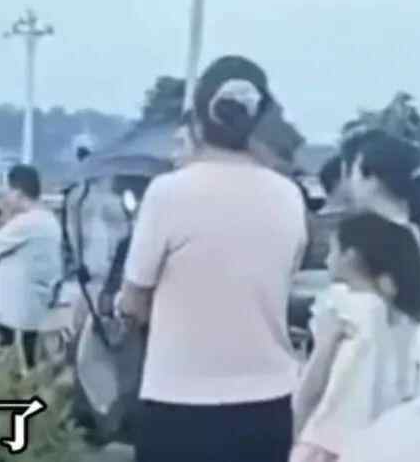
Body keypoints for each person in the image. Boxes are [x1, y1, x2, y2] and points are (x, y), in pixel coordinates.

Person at [118, 55, 308, 462]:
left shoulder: (167, 193)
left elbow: (133, 301)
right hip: (269, 402)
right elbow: (282, 280)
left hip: (177, 400)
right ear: (260, 119)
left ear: (198, 120)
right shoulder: (288, 196)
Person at [292, 212, 420, 461]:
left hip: (333, 444)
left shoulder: (345, 310)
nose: (327, 258)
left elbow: (314, 390)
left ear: (350, 255)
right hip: (393, 444)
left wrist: (298, 426)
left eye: (332, 249)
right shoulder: (408, 321)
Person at [0, 164, 63, 369]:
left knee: (7, 366)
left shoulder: (28, 222)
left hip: (14, 314)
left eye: (7, 192)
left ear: (17, 193)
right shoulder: (46, 219)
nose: (5, 197)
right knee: (27, 363)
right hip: (29, 311)